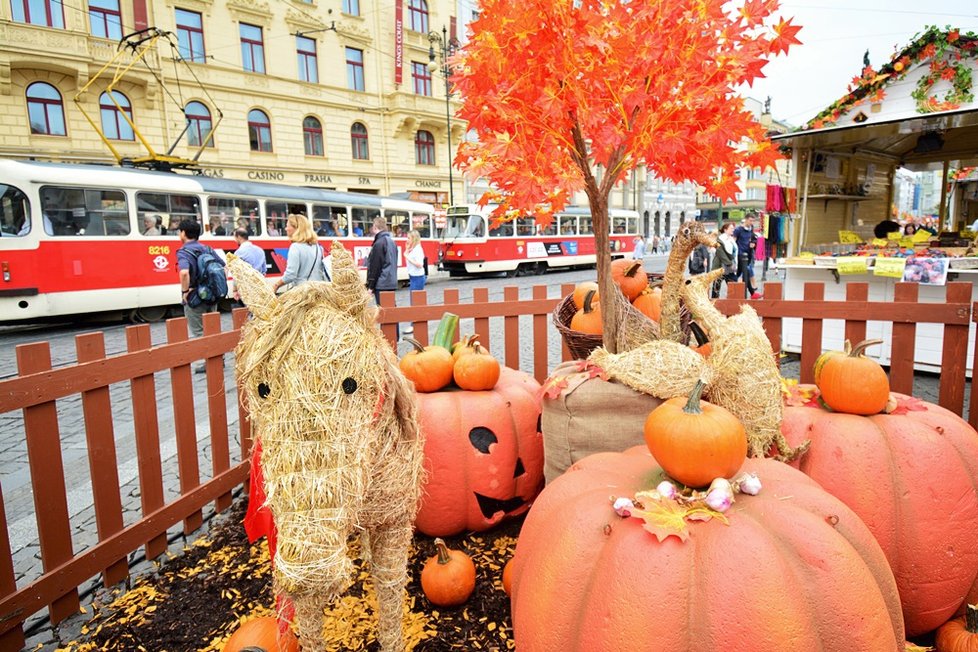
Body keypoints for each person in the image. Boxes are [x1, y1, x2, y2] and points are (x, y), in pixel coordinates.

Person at [177, 219, 225, 373]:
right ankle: (219, 358)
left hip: (195, 298)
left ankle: (207, 362)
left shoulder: (184, 252)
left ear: (183, 233)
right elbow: (223, 267)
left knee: (199, 330)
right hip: (211, 295)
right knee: (213, 329)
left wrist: (185, 292)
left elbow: (184, 273)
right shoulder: (207, 249)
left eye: (179, 232)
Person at [272, 214, 327, 293]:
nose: (286, 229)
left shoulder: (295, 247)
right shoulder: (318, 247)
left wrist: (276, 285)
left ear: (296, 228)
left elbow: (290, 275)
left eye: (288, 226)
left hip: (303, 293)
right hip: (318, 291)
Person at [366, 216, 397, 306]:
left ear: (375, 227)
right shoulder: (391, 242)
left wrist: (371, 286)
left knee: (384, 311)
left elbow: (376, 266)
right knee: (391, 309)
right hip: (391, 281)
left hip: (382, 283)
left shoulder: (379, 243)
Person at [733, 216, 760, 299]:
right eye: (750, 220)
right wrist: (733, 255)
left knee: (738, 274)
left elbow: (753, 239)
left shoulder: (751, 229)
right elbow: (733, 241)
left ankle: (734, 291)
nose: (752, 222)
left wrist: (753, 243)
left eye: (753, 221)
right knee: (746, 271)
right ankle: (752, 293)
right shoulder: (738, 230)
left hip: (748, 254)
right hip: (740, 254)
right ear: (746, 220)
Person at [710, 221, 738, 299]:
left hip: (730, 267)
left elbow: (733, 252)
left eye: (733, 228)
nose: (733, 230)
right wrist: (729, 263)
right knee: (716, 287)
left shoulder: (731, 239)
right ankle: (714, 303)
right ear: (725, 230)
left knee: (734, 285)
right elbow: (720, 252)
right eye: (731, 228)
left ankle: (733, 302)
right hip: (720, 266)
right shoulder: (720, 239)